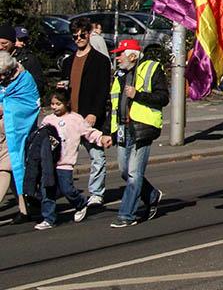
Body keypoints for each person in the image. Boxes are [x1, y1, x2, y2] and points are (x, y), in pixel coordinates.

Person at [108, 39, 167, 228]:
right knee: (125, 171)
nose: (117, 58)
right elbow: (114, 104)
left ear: (133, 56)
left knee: (134, 173)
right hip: (123, 128)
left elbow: (163, 97)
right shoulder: (119, 75)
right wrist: (110, 132)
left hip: (142, 127)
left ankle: (126, 215)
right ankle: (152, 195)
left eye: (120, 54)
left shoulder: (152, 69)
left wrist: (138, 94)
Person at [36, 90, 112, 229]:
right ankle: (49, 218)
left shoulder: (76, 119)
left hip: (66, 162)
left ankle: (81, 203)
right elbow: (40, 137)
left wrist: (101, 138)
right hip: (50, 163)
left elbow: (89, 132)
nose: (54, 107)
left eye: (58, 104)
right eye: (52, 104)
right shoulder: (48, 120)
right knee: (47, 190)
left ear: (66, 103)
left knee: (67, 189)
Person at [59, 19, 110, 207]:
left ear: (89, 34)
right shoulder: (68, 61)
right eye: (75, 36)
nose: (79, 39)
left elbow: (102, 90)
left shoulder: (101, 61)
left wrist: (95, 113)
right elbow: (63, 87)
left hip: (89, 115)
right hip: (70, 117)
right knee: (64, 157)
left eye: (82, 35)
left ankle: (96, 193)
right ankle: (63, 188)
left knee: (96, 156)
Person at [0, 50, 39, 223]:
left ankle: (26, 208)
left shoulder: (25, 80)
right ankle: (25, 208)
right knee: (15, 173)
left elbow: (29, 105)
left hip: (15, 133)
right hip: (3, 134)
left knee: (5, 169)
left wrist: (6, 109)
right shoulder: (5, 81)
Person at [0, 24, 44, 97]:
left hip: (19, 100)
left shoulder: (28, 58)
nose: (0, 47)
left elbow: (38, 84)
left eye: (4, 43)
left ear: (13, 42)